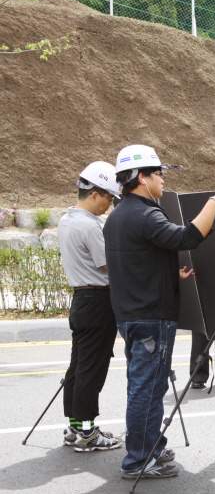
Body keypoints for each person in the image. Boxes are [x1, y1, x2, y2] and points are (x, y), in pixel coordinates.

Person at [104, 144, 215, 479]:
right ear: (141, 178)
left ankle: (151, 446)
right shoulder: (147, 213)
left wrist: (169, 274)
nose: (163, 181)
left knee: (145, 386)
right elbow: (189, 237)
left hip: (131, 315)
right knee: (147, 389)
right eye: (158, 174)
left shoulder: (117, 216)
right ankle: (138, 460)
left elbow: (135, 263)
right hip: (151, 317)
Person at [57, 161, 123, 452]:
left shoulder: (66, 220)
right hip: (97, 301)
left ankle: (74, 425)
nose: (109, 205)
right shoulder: (90, 226)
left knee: (79, 365)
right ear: (95, 193)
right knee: (92, 370)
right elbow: (110, 266)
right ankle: (88, 432)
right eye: (109, 197)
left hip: (81, 300)